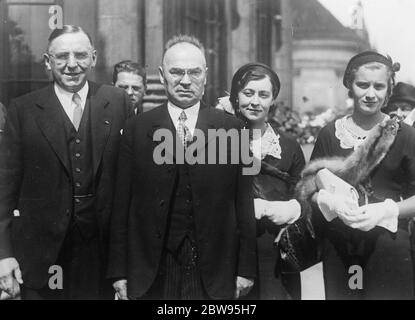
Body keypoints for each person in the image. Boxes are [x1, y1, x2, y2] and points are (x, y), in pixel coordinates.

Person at [107, 35, 257, 300]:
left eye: (194, 72)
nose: (185, 81)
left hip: (213, 269)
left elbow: (243, 203)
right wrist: (119, 272)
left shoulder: (231, 129)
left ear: (205, 76)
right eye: (176, 72)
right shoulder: (137, 129)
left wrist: (246, 268)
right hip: (153, 268)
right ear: (163, 76)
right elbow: (122, 206)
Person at [0, 25, 133, 300]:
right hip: (40, 255)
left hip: (102, 254)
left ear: (94, 58)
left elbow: (132, 183)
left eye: (81, 55)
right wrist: (4, 255)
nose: (72, 64)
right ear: (47, 62)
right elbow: (4, 190)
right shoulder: (22, 110)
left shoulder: (117, 102)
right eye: (62, 56)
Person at [306, 51, 415, 299]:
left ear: (389, 90)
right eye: (362, 85)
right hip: (341, 247)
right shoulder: (329, 134)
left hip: (389, 246)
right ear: (349, 86)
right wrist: (326, 200)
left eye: (379, 86)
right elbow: (310, 187)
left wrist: (388, 210)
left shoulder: (406, 135)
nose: (370, 94)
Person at [222, 63, 306, 299]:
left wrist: (293, 207)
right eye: (248, 93)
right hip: (231, 252)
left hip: (276, 254)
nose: (255, 101)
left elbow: (304, 194)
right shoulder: (217, 141)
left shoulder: (288, 146)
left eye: (263, 94)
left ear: (273, 99)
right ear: (236, 96)